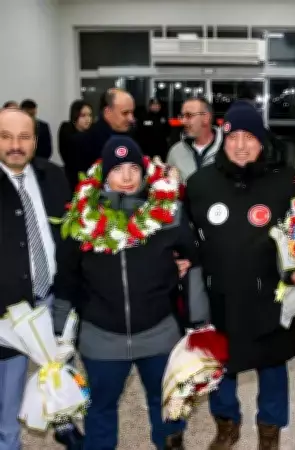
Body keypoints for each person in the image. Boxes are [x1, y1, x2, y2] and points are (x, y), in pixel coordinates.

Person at [52, 136, 206, 450]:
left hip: (159, 333)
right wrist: (57, 333)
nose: (126, 176)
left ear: (144, 173)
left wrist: (198, 320)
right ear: (103, 175)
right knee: (100, 409)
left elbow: (195, 259)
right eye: (117, 169)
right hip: (101, 338)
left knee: (168, 407)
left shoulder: (168, 214)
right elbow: (66, 279)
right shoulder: (82, 221)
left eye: (133, 168)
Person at [185, 103, 295, 450]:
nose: (241, 145)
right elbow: (189, 236)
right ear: (223, 139)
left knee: (273, 366)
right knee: (220, 366)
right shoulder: (201, 183)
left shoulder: (287, 181)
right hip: (220, 294)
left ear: (262, 141)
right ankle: (226, 425)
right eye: (234, 137)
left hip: (270, 296)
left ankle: (270, 432)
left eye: (250, 137)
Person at [0, 108, 76, 449]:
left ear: (35, 141)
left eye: (24, 137)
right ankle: (8, 442)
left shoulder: (54, 175)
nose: (15, 145)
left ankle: (64, 421)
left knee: (61, 369)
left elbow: (70, 234)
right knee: (9, 390)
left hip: (53, 297)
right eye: (6, 137)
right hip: (8, 311)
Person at [74, 88, 136, 178]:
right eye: (125, 113)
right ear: (107, 112)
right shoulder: (86, 141)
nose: (131, 119)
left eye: (132, 112)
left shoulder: (132, 134)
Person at [166, 97, 223, 182]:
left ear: (206, 118)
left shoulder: (228, 149)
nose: (183, 121)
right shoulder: (175, 152)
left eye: (188, 115)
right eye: (182, 116)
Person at [58, 100, 93, 190]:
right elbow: (67, 153)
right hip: (72, 178)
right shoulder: (66, 128)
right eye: (83, 115)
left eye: (89, 115)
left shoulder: (93, 131)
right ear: (75, 115)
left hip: (92, 179)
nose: (88, 119)